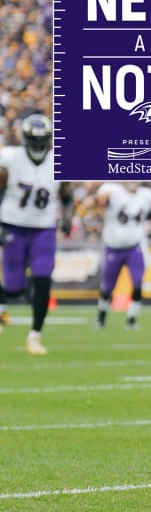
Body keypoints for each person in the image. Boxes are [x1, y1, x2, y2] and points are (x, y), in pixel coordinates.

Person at [0, 114, 74, 355]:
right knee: (14, 289)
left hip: (43, 228)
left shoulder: (59, 162)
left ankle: (35, 335)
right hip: (12, 225)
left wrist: (67, 217)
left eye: (43, 141)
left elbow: (66, 195)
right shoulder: (10, 159)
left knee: (43, 277)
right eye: (35, 140)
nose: (39, 146)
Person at [95, 183, 151, 330]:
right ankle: (101, 317)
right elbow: (100, 201)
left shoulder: (146, 194)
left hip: (135, 245)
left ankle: (132, 319)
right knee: (108, 287)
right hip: (113, 246)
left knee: (137, 282)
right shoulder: (112, 190)